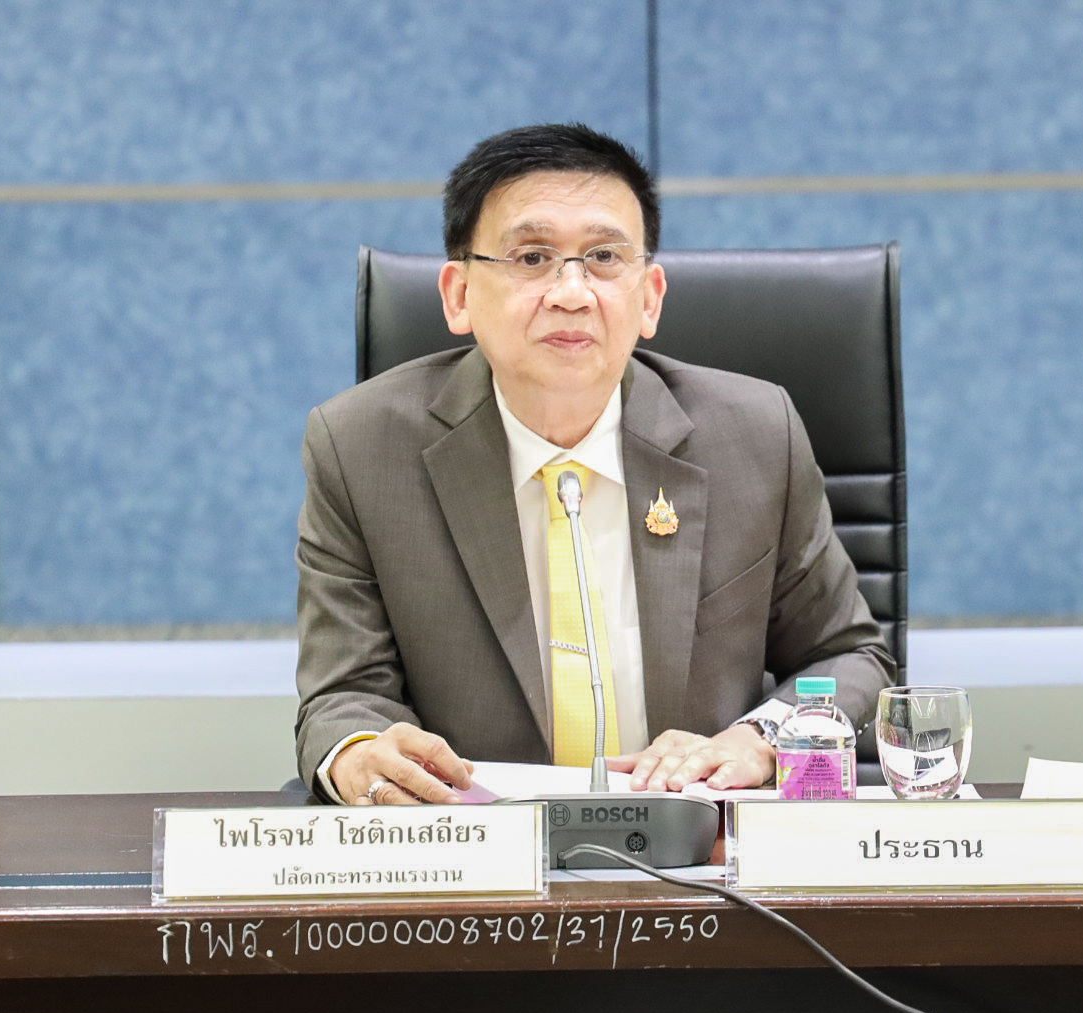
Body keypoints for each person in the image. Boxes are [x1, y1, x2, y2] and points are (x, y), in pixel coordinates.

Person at [295, 123, 893, 805]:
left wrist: (758, 739)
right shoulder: (360, 448)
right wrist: (360, 754)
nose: (572, 293)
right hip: (476, 846)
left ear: (650, 297)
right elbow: (342, 697)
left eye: (604, 257)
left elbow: (851, 657)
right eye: (532, 257)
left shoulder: (755, 436)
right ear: (459, 295)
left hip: (697, 845)